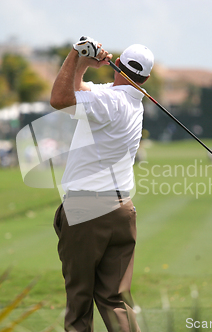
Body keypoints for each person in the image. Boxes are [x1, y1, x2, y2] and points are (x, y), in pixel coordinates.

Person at [50, 37, 154, 332]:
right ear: (145, 78)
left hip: (86, 208)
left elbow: (59, 99)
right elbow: (79, 90)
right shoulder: (129, 100)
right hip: (123, 209)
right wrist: (84, 63)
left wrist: (74, 54)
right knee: (115, 301)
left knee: (79, 302)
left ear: (116, 65)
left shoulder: (109, 101)